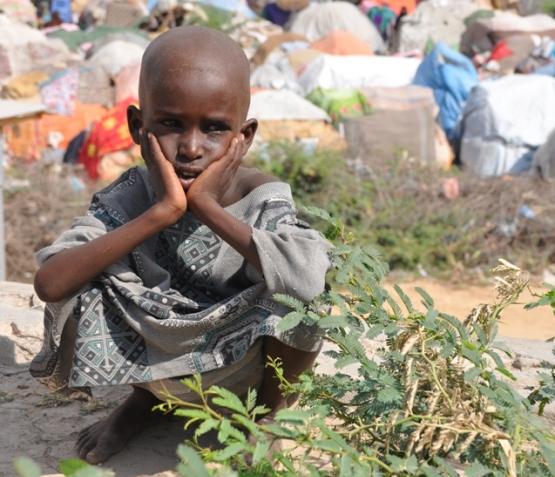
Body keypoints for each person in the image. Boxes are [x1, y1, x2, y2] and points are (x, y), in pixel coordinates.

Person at [30, 25, 333, 465]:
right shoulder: (134, 195)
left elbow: (308, 278)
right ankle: (145, 401)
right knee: (86, 275)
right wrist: (162, 212)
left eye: (214, 129)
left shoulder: (260, 193)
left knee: (303, 297)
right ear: (138, 126)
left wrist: (207, 206)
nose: (191, 148)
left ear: (243, 138)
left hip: (240, 365)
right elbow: (51, 281)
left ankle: (264, 416)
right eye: (171, 124)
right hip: (154, 355)